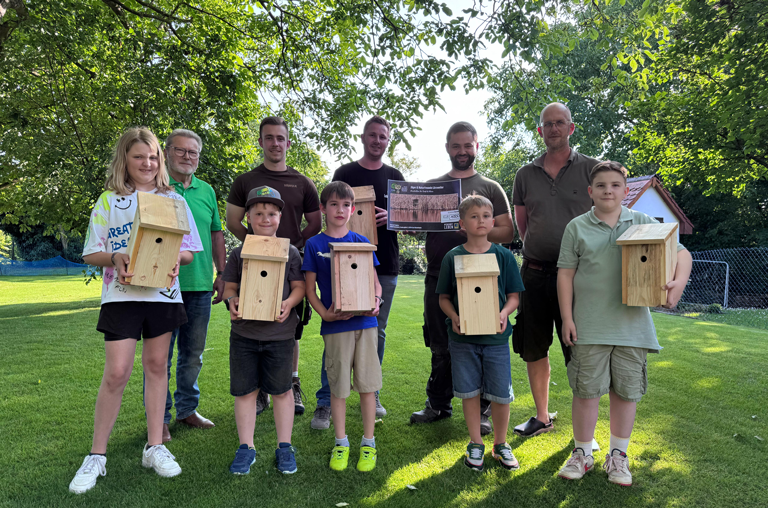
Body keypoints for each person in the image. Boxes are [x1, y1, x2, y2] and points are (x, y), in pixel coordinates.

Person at [69, 127, 202, 494]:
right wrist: (115, 256)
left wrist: (177, 258)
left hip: (162, 296)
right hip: (121, 296)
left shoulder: (174, 200)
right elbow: (90, 252)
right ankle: (97, 456)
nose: (147, 162)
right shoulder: (109, 200)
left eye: (153, 156)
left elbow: (189, 249)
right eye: (139, 156)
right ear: (124, 160)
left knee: (158, 367)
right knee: (117, 372)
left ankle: (155, 446)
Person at [555, 161, 692, 485]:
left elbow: (681, 252)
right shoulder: (577, 227)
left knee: (626, 394)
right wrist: (567, 317)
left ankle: (618, 457)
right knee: (586, 392)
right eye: (601, 185)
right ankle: (582, 453)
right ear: (590, 191)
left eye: (615, 185)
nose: (608, 190)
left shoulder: (642, 222)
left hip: (633, 328)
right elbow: (565, 274)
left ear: (625, 190)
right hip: (589, 326)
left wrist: (679, 282)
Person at [410, 122, 515, 435]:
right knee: (439, 343)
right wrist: (404, 220)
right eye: (456, 146)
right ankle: (438, 404)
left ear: (476, 147)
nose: (462, 151)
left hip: (481, 277)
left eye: (468, 145)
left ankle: (483, 411)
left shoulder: (490, 187)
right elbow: (414, 224)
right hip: (438, 277)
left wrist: (474, 227)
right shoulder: (432, 187)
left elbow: (508, 232)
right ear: (447, 148)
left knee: (480, 339)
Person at [511, 103, 600, 438]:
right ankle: (542, 416)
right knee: (533, 347)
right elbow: (523, 224)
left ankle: (583, 432)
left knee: (578, 348)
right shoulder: (525, 174)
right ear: (540, 131)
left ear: (571, 128)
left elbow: (607, 215)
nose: (553, 129)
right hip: (532, 274)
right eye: (547, 124)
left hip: (578, 277)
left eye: (559, 123)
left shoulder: (591, 168)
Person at [311, 116, 404, 428]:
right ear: (363, 137)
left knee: (375, 330)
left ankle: (371, 390)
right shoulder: (345, 174)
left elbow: (409, 221)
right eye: (372, 135)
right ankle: (326, 400)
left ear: (388, 140)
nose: (377, 140)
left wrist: (391, 216)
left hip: (383, 264)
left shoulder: (395, 176)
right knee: (336, 336)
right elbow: (332, 201)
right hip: (338, 265)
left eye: (383, 136)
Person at [226, 117, 322, 416]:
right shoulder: (245, 180)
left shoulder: (303, 182)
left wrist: (290, 248)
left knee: (287, 327)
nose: (275, 143)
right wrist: (257, 246)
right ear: (261, 142)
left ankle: (289, 384)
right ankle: (257, 392)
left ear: (288, 142)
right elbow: (232, 221)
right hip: (255, 265)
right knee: (254, 316)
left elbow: (316, 223)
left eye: (280, 138)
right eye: (269, 138)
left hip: (290, 265)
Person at [436, 194, 525, 471]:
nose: (481, 221)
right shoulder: (453, 257)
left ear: (493, 220)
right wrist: (455, 317)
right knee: (469, 392)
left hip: (496, 339)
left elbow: (514, 296)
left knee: (500, 393)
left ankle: (501, 444)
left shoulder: (504, 255)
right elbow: (443, 298)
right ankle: (476, 442)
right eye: (474, 216)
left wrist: (503, 313)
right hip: (462, 340)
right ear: (462, 223)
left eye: (486, 216)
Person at [221, 186, 306, 475]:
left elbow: (299, 287)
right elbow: (230, 287)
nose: (265, 218)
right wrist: (231, 300)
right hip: (244, 335)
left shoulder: (290, 251)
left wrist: (288, 304)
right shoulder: (239, 253)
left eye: (271, 213)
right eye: (258, 213)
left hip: (279, 336)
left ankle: (285, 446)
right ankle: (246, 447)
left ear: (280, 217)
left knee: (282, 391)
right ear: (247, 217)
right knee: (245, 392)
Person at [302, 181, 383, 472]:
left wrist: (376, 300)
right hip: (335, 327)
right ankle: (341, 443)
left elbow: (375, 282)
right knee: (338, 388)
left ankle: (368, 443)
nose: (340, 210)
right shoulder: (315, 245)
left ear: (353, 209)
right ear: (323, 208)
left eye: (346, 205)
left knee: (367, 386)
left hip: (366, 323)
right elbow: (310, 289)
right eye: (334, 204)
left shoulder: (361, 242)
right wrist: (325, 314)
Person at [160, 129, 226, 439]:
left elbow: (216, 234)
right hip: (161, 284)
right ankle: (159, 417)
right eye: (181, 151)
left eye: (193, 153)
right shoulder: (156, 188)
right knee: (160, 356)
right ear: (167, 152)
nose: (188, 157)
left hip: (200, 284)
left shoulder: (207, 191)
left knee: (193, 355)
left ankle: (186, 410)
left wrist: (222, 274)